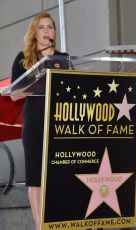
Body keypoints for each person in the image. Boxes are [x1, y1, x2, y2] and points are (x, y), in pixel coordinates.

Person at [11, 12, 69, 230]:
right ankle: (40, 226)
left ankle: (59, 223)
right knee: (36, 177)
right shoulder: (22, 59)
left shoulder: (63, 58)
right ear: (34, 33)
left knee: (58, 174)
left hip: (59, 122)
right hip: (35, 123)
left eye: (50, 27)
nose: (47, 31)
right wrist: (38, 76)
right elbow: (15, 94)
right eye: (42, 27)